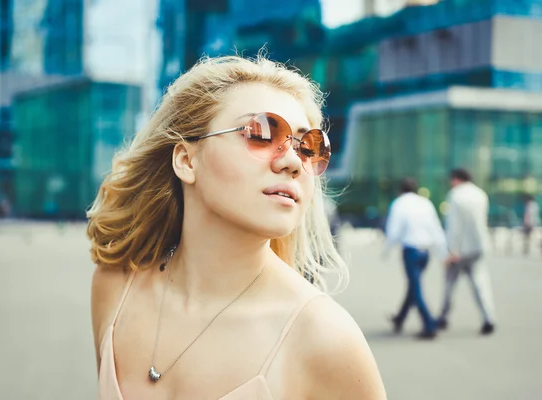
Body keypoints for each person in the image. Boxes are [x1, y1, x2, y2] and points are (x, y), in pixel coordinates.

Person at [88, 54, 387, 399]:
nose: (292, 161)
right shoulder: (115, 287)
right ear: (187, 160)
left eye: (309, 147)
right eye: (261, 132)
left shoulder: (324, 338)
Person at [383, 178, 447, 339]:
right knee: (414, 286)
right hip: (425, 252)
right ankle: (400, 318)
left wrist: (387, 249)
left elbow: (394, 230)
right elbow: (436, 228)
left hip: (410, 252)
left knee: (416, 288)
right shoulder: (425, 203)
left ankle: (429, 324)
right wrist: (443, 252)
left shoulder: (399, 204)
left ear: (401, 189)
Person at [437, 168, 497, 335]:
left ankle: (443, 317)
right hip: (478, 247)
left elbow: (454, 226)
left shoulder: (456, 196)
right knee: (480, 284)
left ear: (456, 179)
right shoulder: (480, 194)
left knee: (449, 285)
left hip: (459, 250)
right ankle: (488, 318)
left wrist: (452, 250)